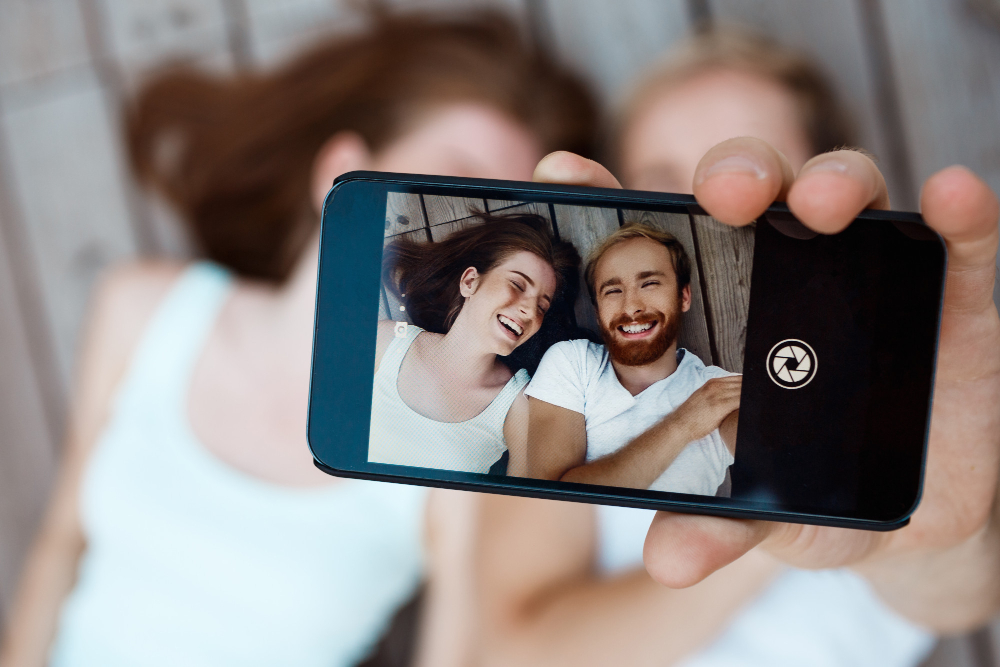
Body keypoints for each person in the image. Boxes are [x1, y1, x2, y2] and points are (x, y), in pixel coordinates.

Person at [0, 10, 597, 667]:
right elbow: (62, 542)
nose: (475, 230)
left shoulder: (452, 465)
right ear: (342, 172)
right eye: (452, 182)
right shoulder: (144, 310)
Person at [474, 29, 993, 666]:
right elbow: (507, 651)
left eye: (760, 196)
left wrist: (823, 493)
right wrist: (769, 507)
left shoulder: (877, 400)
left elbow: (958, 592)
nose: (715, 210)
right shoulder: (581, 378)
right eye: (667, 186)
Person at [524, 222, 740, 494]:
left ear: (683, 296)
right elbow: (550, 501)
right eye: (613, 291)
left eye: (649, 284)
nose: (631, 307)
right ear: (597, 308)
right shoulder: (572, 362)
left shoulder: (718, 391)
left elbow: (776, 458)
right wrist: (683, 424)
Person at [369, 212, 578, 475]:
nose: (530, 311)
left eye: (542, 306)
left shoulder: (516, 407)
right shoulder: (386, 343)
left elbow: (522, 506)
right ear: (470, 282)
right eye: (517, 284)